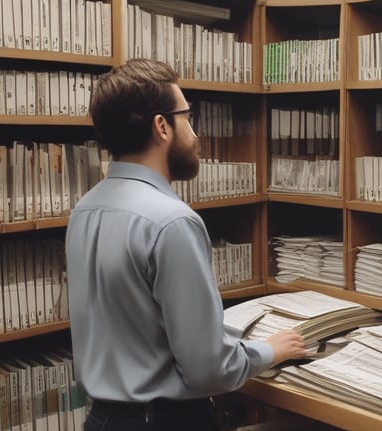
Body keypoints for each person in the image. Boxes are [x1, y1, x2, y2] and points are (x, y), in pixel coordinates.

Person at [65, 58, 308, 431]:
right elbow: (208, 370)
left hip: (102, 420)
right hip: (163, 421)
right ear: (162, 127)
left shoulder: (86, 208)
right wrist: (268, 350)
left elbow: (137, 324)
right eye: (188, 117)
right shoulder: (172, 221)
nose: (195, 134)